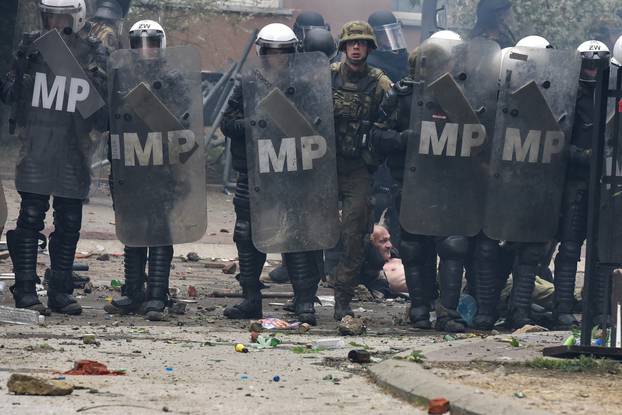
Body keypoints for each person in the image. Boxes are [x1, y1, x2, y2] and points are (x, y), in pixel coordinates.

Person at [0, 0, 107, 315]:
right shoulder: (30, 46)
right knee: (30, 217)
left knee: (69, 220)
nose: (55, 24)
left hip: (73, 149)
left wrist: (85, 79)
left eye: (61, 18)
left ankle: (60, 290)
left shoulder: (92, 51)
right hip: (36, 146)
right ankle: (25, 288)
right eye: (50, 17)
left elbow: (101, 111)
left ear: (75, 18)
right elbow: (8, 93)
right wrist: (22, 81)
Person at [221, 23, 327, 325]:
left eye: (282, 52)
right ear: (262, 52)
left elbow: (318, 125)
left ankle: (304, 302)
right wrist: (258, 123)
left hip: (293, 170)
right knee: (247, 234)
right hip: (255, 172)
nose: (276, 58)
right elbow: (228, 123)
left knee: (295, 236)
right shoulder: (248, 82)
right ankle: (251, 298)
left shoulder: (307, 84)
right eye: (271, 51)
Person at [104, 20, 181, 321]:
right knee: (133, 227)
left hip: (161, 163)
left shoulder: (173, 78)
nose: (145, 49)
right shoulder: (122, 77)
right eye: (139, 43)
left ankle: (157, 294)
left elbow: (183, 119)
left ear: (160, 45)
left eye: (151, 42)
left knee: (159, 228)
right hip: (131, 161)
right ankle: (133, 291)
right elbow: (110, 118)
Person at [331, 21, 392, 320]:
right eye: (352, 42)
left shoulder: (380, 83)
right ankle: (304, 295)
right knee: (311, 229)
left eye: (362, 43)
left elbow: (393, 122)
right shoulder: (326, 77)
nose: (356, 47)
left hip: (358, 169)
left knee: (354, 234)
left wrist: (375, 151)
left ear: (369, 48)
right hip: (324, 165)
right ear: (344, 47)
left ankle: (343, 297)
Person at [551, 40, 610, 329]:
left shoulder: (612, 94)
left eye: (597, 65)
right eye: (588, 64)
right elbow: (556, 140)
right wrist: (585, 156)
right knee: (571, 248)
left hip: (606, 183)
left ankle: (598, 308)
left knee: (602, 250)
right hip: (576, 181)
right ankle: (562, 307)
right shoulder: (569, 96)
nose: (592, 70)